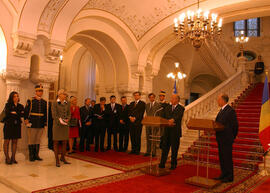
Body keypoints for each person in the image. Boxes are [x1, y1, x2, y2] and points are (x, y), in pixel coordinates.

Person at [214, 94, 238, 183]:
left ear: (223, 100)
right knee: (222, 157)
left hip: (227, 139)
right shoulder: (221, 110)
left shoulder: (230, 111)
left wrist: (232, 137)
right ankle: (223, 174)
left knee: (227, 157)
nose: (217, 101)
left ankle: (229, 176)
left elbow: (235, 126)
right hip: (220, 138)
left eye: (218, 99)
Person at [159, 94, 185, 170]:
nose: (171, 99)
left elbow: (178, 116)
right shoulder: (167, 107)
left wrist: (172, 120)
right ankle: (162, 163)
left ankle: (173, 164)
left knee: (174, 149)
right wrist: (166, 121)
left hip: (175, 131)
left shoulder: (181, 108)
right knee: (165, 148)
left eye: (173, 98)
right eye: (171, 98)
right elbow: (164, 116)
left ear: (177, 100)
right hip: (167, 131)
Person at [24, 84, 47, 161]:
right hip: (32, 122)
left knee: (38, 139)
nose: (40, 92)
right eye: (39, 91)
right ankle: (31, 156)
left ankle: (36, 155)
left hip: (40, 123)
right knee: (31, 139)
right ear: (36, 91)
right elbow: (26, 111)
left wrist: (45, 123)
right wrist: (26, 120)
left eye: (41, 91)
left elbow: (45, 113)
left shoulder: (44, 102)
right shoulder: (30, 100)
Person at [3, 91, 24, 164]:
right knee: (7, 141)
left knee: (15, 141)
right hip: (8, 125)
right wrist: (17, 113)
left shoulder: (21, 106)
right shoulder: (8, 105)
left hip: (17, 126)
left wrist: (15, 113)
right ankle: (7, 158)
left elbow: (22, 115)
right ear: (11, 98)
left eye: (17, 96)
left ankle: (13, 158)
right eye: (14, 96)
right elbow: (8, 114)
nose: (16, 98)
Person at [51, 89, 71, 167]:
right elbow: (54, 115)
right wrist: (61, 121)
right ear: (59, 95)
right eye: (64, 94)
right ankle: (57, 159)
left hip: (65, 125)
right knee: (56, 142)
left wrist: (68, 119)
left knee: (64, 142)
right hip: (57, 125)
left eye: (65, 94)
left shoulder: (67, 103)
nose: (65, 95)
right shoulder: (55, 103)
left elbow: (69, 113)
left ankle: (63, 157)